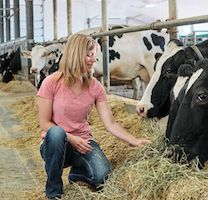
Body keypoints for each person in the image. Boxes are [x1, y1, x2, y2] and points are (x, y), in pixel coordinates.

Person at [37, 33, 151, 200]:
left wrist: (134, 140)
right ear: (76, 54)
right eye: (89, 55)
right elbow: (45, 123)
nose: (93, 60)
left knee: (101, 177)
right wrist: (72, 139)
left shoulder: (95, 86)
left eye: (94, 56)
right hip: (54, 145)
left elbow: (110, 123)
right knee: (56, 133)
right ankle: (54, 190)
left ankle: (77, 173)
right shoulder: (51, 83)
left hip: (84, 142)